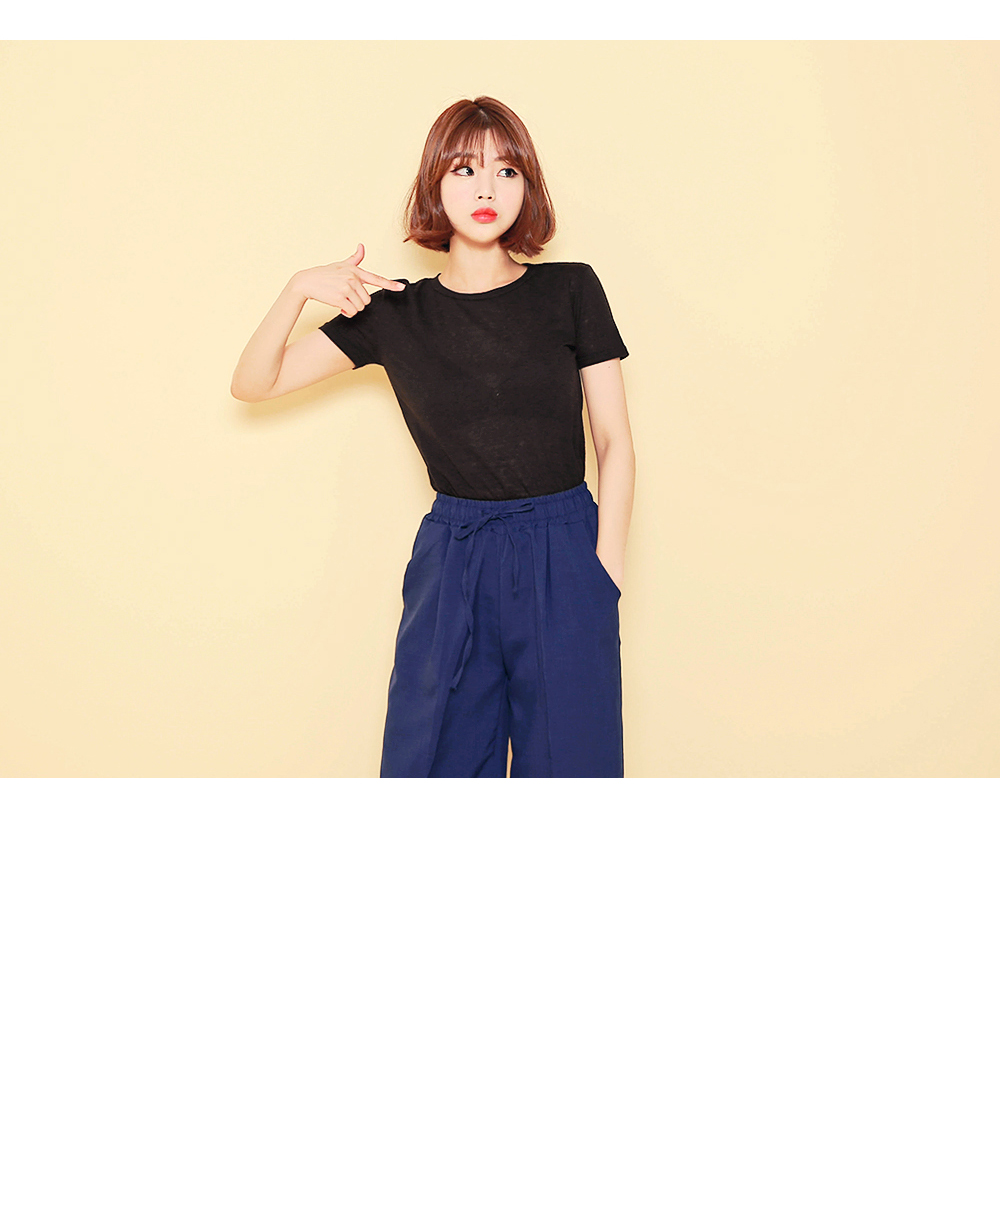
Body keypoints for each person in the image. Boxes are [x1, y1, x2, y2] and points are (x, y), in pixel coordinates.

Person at [231, 96, 635, 778]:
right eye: (464, 170)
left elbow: (614, 440)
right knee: (433, 759)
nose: (486, 189)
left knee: (574, 765)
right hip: (454, 556)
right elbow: (253, 383)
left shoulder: (571, 289)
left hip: (564, 548)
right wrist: (297, 289)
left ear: (527, 187)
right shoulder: (394, 312)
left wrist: (605, 573)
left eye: (507, 171)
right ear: (435, 185)